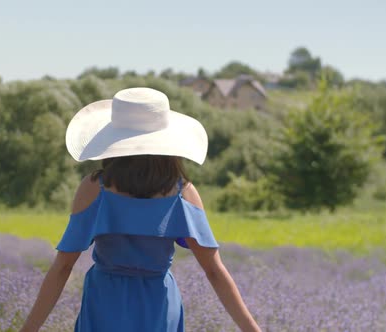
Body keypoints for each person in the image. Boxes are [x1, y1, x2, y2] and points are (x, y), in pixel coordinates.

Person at [20, 87, 261, 332]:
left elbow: (63, 267)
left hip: (105, 305)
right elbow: (215, 272)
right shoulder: (183, 192)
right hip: (159, 307)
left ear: (113, 140)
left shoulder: (94, 188)